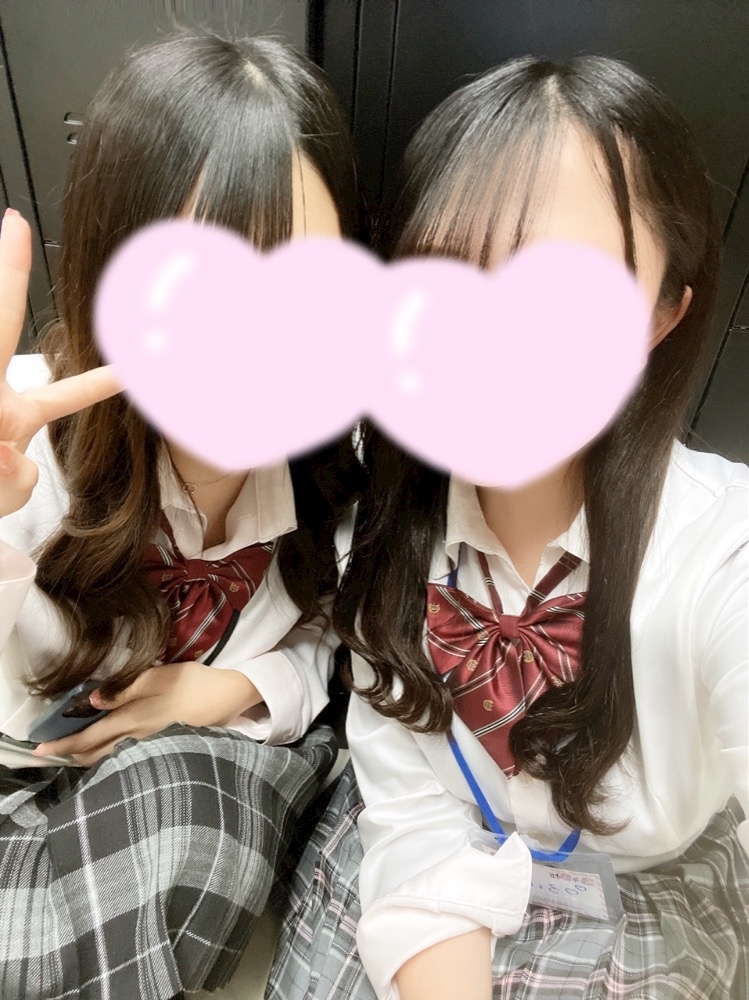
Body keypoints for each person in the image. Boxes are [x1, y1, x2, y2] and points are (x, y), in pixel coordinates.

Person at [267, 55, 749, 1000]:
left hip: (643, 882)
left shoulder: (717, 549)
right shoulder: (377, 536)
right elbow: (412, 818)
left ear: (662, 315)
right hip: (429, 857)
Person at [0, 30, 360, 1000]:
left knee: (191, 829)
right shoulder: (25, 436)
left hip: (180, 784)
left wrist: (229, 687)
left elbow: (328, 634)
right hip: (15, 776)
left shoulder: (340, 462)